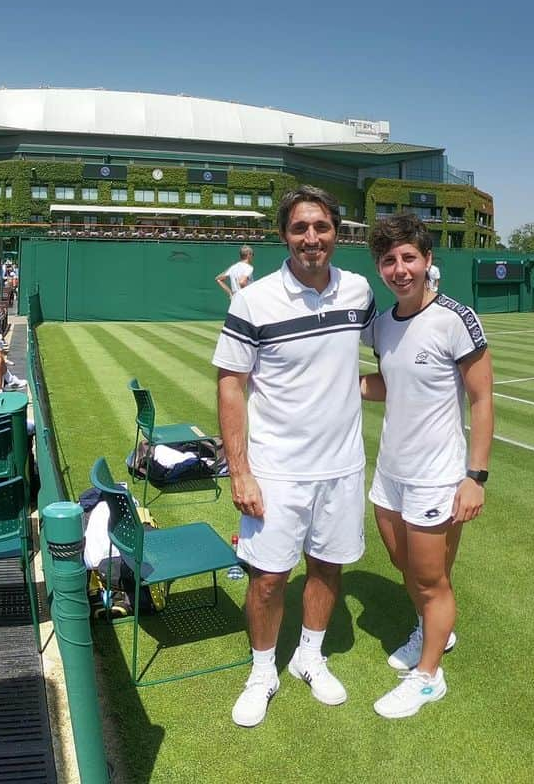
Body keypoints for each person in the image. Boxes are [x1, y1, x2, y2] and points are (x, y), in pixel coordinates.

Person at [212, 186, 375, 728]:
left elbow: (399, 336)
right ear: (283, 234)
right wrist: (241, 472)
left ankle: (310, 654)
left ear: (336, 233)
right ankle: (263, 671)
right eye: (301, 228)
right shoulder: (252, 299)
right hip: (276, 470)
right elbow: (231, 385)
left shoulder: (357, 290)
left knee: (328, 566)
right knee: (267, 579)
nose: (312, 238)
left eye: (322, 227)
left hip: (342, 466)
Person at [360, 215, 493, 718]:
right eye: (389, 261)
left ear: (427, 260)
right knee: (404, 566)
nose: (399, 269)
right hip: (390, 472)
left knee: (432, 580)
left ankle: (428, 677)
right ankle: (433, 629)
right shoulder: (382, 325)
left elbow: (481, 400)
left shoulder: (456, 319)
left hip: (438, 476)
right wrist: (341, 388)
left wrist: (474, 477)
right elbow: (391, 383)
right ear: (380, 267)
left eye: (408, 258)